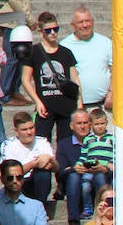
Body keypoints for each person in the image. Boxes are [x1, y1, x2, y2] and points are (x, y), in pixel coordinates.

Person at [21, 11, 80, 142]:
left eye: (56, 29)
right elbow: (25, 79)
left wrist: (79, 105)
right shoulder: (33, 52)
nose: (53, 32)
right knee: (41, 143)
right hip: (45, 106)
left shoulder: (66, 52)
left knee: (66, 145)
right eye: (48, 30)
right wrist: (37, 101)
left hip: (66, 105)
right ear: (41, 32)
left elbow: (75, 80)